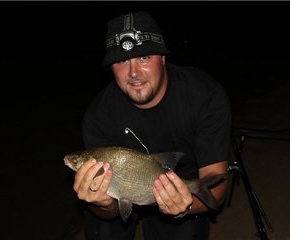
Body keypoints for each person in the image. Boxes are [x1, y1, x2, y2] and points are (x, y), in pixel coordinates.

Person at [73, 11, 231, 240]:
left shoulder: (204, 95)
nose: (134, 73)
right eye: (122, 60)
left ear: (163, 58)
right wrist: (104, 204)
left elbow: (216, 187)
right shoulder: (99, 115)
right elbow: (110, 210)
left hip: (179, 185)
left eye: (144, 57)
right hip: (121, 196)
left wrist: (184, 206)